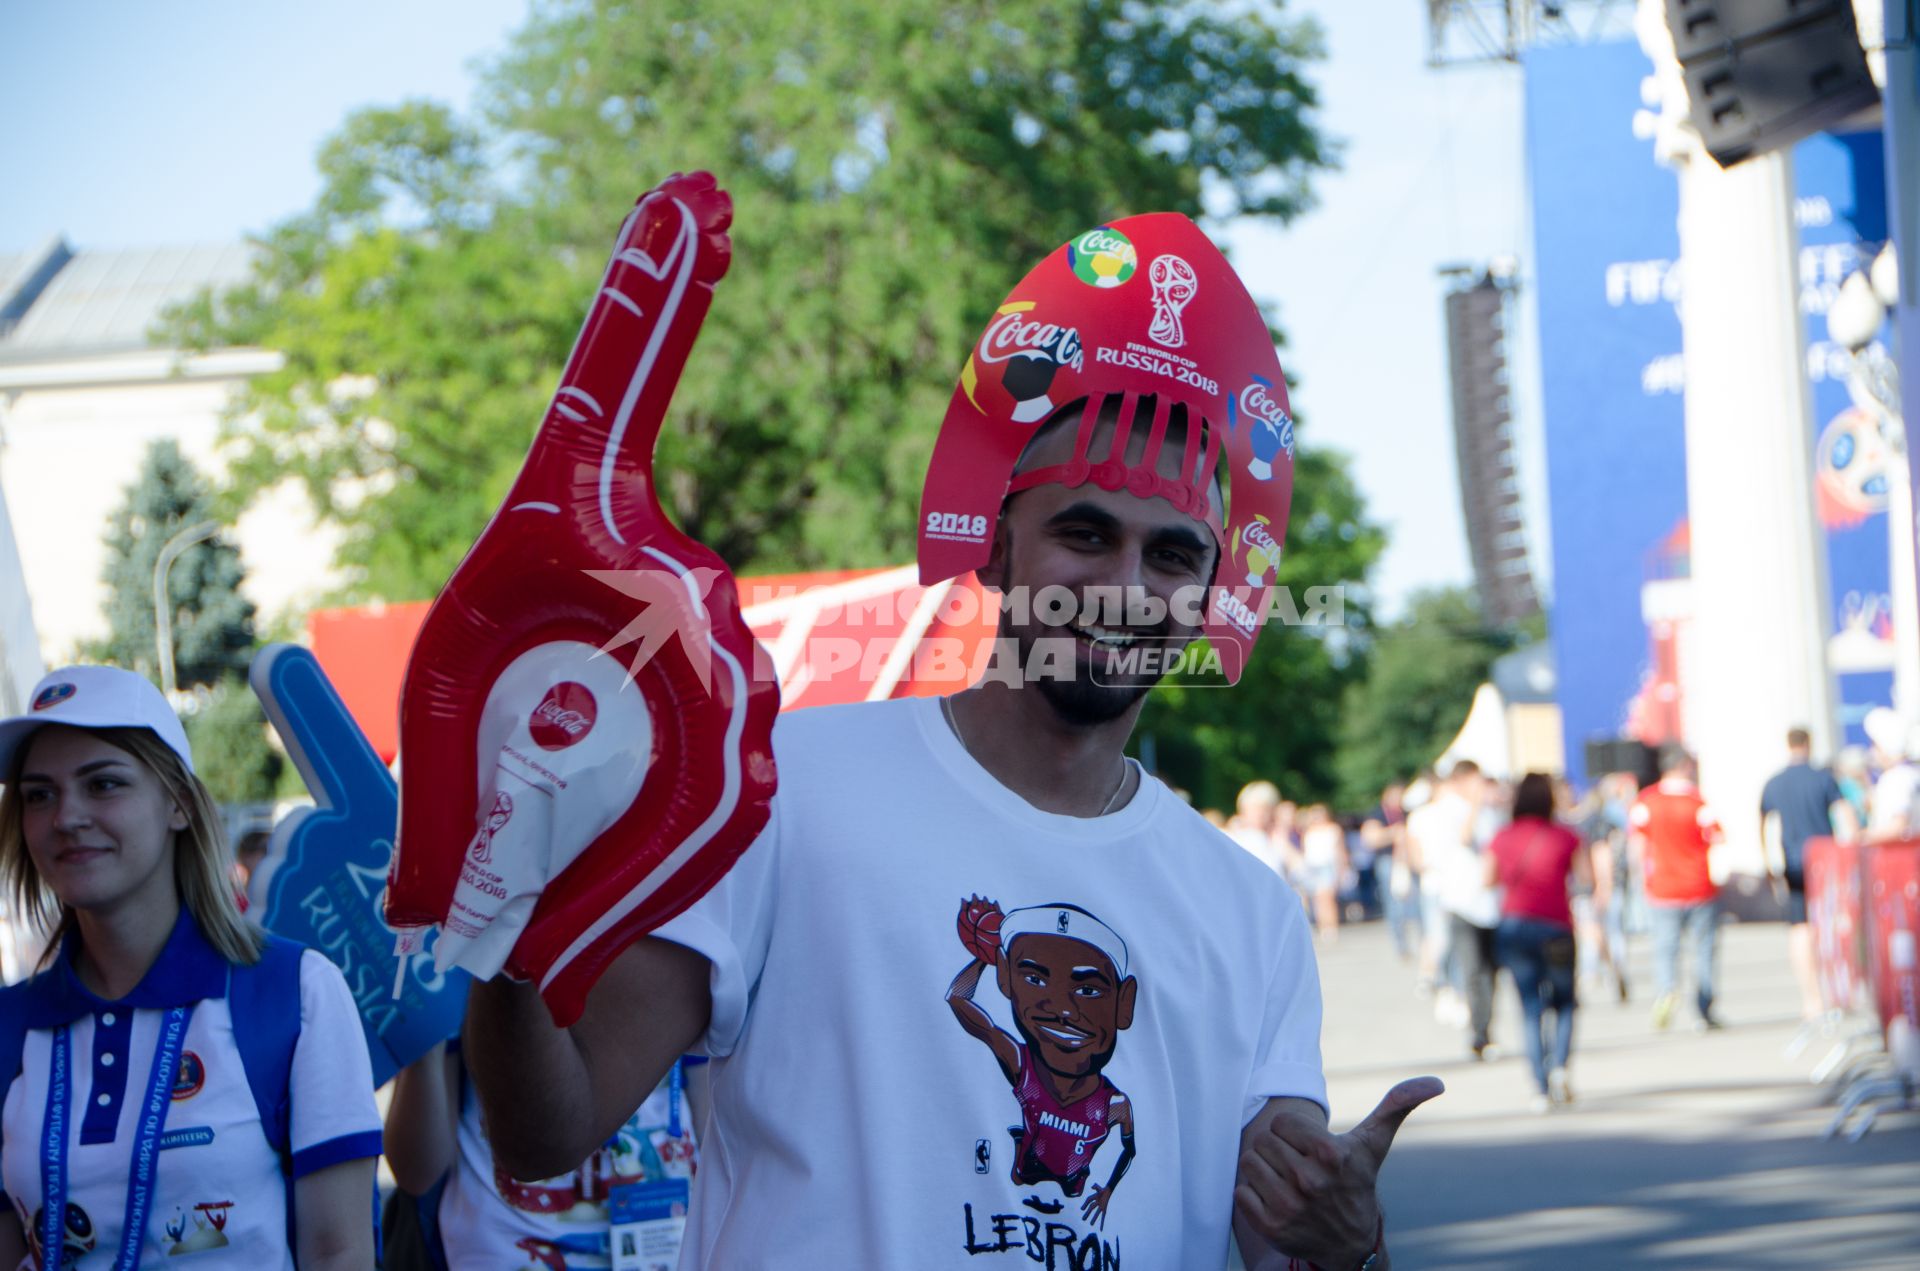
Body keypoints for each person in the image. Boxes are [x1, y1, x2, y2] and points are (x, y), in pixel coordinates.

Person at [457, 214, 1440, 1270]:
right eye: (1084, 533)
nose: (1123, 587)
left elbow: (1295, 1242)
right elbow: (546, 1131)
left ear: (1211, 593)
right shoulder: (779, 795)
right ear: (997, 541)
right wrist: (504, 922)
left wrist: (1353, 1240)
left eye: (1171, 554)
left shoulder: (1248, 912)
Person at [0, 665, 380, 1267]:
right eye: (39, 794)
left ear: (177, 802)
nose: (65, 817)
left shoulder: (295, 991)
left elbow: (341, 1253)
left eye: (102, 785)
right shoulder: (10, 1023)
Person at [385, 1039, 699, 1269]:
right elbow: (416, 1175)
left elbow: (717, 1129)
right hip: (506, 1250)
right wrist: (424, 1040)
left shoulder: (682, 957)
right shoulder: (469, 956)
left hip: (664, 1244)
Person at [1486, 774, 1589, 1111]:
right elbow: (1587, 879)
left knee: (1530, 1007)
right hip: (1556, 926)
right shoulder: (1566, 835)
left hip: (1515, 925)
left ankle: (1538, 1086)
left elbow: (1487, 879)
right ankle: (1559, 1066)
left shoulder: (1502, 837)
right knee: (1564, 1003)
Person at [1759, 726, 1858, 1020]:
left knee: (1800, 928)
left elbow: (1765, 826)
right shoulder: (1823, 778)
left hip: (1792, 862)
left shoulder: (1774, 783)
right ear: (1809, 744)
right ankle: (1839, 992)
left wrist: (1769, 867)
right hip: (1825, 862)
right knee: (1832, 923)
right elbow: (1846, 817)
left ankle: (1811, 998)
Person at [1629, 747, 1724, 1030]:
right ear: (1683, 766)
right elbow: (1717, 838)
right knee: (1704, 948)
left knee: (1665, 947)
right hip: (1698, 885)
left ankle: (1667, 990)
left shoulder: (1647, 801)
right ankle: (1704, 1007)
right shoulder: (1697, 802)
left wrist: (1641, 880)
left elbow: (1637, 845)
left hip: (1662, 887)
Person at [1409, 761, 1498, 1058]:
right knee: (1469, 965)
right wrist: (1474, 806)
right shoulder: (1443, 812)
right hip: (1457, 900)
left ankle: (1482, 1024)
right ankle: (1475, 1027)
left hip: (1487, 902)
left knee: (1488, 970)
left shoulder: (1489, 809)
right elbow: (1463, 837)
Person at [1862, 707, 1920, 844]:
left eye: (1874, 745)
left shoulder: (1895, 778)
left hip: (1897, 859)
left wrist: (1863, 838)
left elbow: (1898, 826)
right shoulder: (1913, 774)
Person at [1297, 805, 1348, 944]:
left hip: (1328, 866)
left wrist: (1342, 867)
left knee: (1328, 898)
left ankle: (1331, 926)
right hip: (1313, 867)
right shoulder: (1308, 831)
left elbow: (1340, 850)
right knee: (1318, 899)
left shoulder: (1333, 829)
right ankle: (1323, 927)